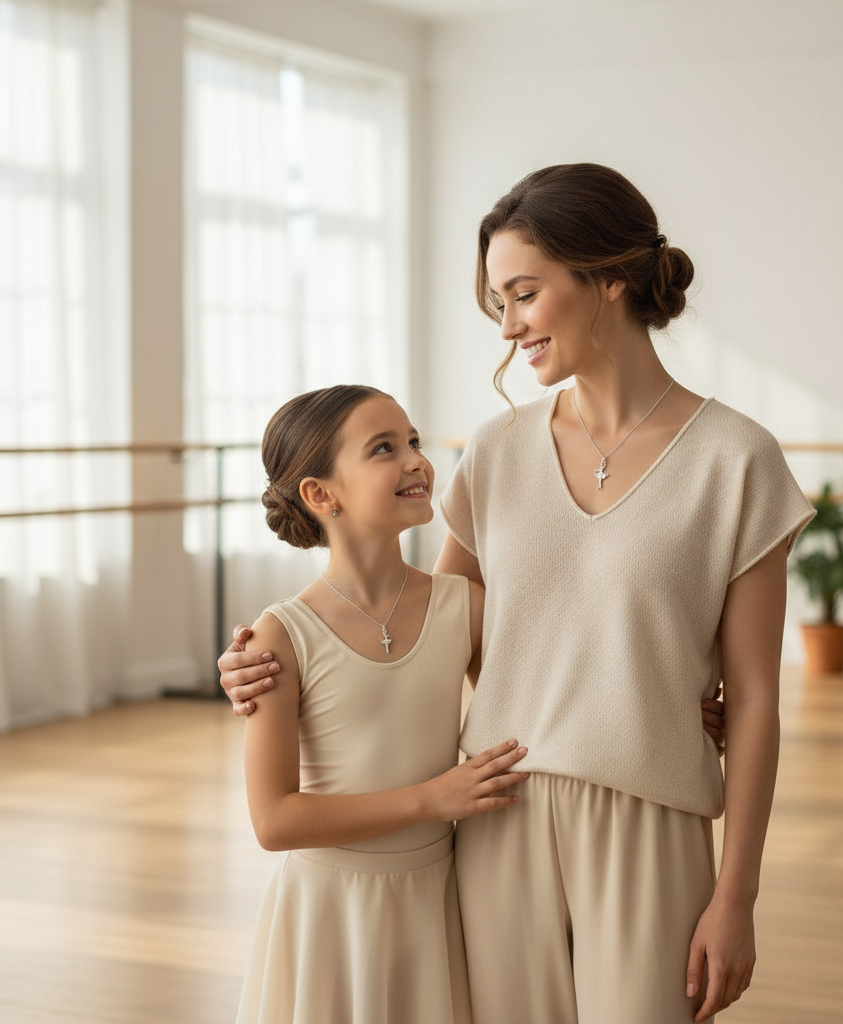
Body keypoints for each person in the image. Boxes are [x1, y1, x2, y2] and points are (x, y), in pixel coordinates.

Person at [223, 163, 813, 1024]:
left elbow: (755, 698)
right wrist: (261, 665)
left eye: (524, 294)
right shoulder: (497, 452)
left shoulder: (736, 459)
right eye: (499, 303)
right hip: (496, 816)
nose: (509, 326)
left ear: (606, 278)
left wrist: (737, 897)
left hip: (649, 822)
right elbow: (423, 631)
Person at [231, 383, 530, 1024]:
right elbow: (273, 821)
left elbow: (537, 699)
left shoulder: (464, 607)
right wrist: (432, 799)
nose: (416, 460)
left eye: (414, 441)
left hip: (437, 897)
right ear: (320, 493)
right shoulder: (280, 635)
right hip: (329, 910)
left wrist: (674, 704)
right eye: (384, 448)